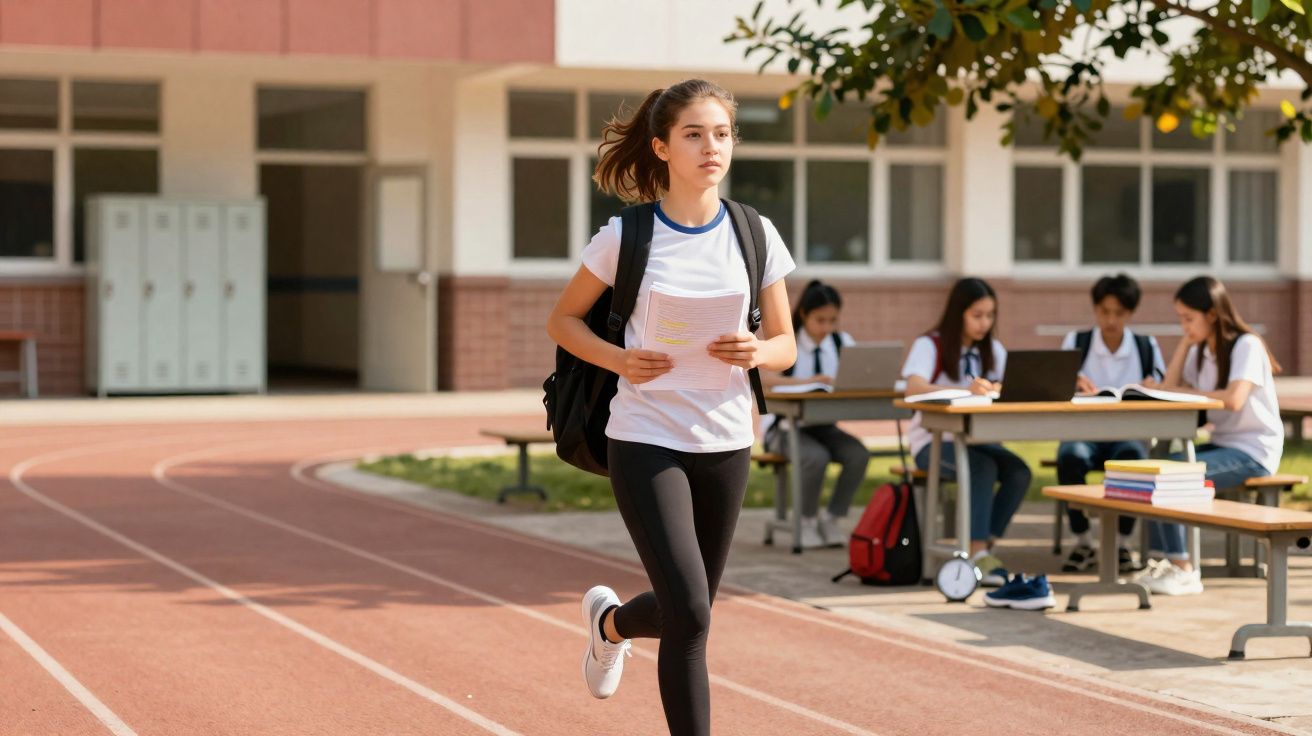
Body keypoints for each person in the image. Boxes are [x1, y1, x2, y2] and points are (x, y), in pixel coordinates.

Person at [545, 79, 796, 735]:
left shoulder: (755, 233)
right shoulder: (626, 236)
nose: (711, 145)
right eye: (693, 133)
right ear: (661, 146)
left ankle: (610, 624)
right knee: (689, 612)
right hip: (645, 435)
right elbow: (564, 322)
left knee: (693, 611)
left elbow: (787, 344)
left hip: (726, 440)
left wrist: (756, 351)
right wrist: (621, 359)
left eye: (721, 133)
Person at [1135, 276, 1284, 596]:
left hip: (1253, 450)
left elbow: (1233, 399)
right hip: (1223, 443)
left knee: (1170, 476)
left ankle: (1184, 569)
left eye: (1188, 319)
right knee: (1153, 467)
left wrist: (1176, 389)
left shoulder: (1247, 345)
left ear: (1213, 315)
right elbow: (1172, 387)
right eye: (1180, 319)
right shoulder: (1199, 350)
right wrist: (1187, 343)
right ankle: (1165, 562)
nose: (1184, 325)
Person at [902, 277, 1031, 586]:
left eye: (990, 315)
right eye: (977, 315)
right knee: (981, 467)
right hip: (933, 444)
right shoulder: (929, 344)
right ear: (958, 312)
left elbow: (1009, 385)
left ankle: (984, 546)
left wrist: (999, 388)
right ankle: (975, 554)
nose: (984, 323)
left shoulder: (993, 350)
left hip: (979, 440)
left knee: (1019, 472)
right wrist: (964, 390)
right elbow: (913, 387)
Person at [1058, 274, 1165, 573]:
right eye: (1104, 311)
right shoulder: (1076, 342)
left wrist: (1150, 387)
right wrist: (1072, 382)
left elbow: (1162, 389)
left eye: (1119, 313)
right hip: (1084, 432)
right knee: (1070, 457)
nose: (1111, 320)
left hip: (1128, 434)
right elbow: (1055, 389)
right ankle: (1083, 541)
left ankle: (1122, 543)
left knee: (1134, 459)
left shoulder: (1146, 347)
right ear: (1095, 310)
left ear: (1131, 313)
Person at [760, 280, 870, 548]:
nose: (826, 327)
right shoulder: (788, 343)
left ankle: (831, 518)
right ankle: (806, 521)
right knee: (815, 458)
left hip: (823, 426)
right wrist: (808, 382)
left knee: (858, 454)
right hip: (785, 429)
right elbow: (763, 378)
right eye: (820, 320)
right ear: (804, 316)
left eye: (832, 320)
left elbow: (858, 374)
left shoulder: (841, 342)